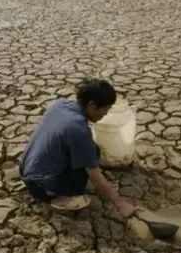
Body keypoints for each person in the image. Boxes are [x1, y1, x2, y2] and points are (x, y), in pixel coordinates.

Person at [19, 78, 136, 218]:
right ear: (92, 105)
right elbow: (95, 176)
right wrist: (120, 204)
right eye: (106, 108)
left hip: (27, 170)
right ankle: (60, 198)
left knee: (93, 150)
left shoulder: (60, 104)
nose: (106, 113)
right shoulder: (78, 129)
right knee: (81, 176)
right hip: (40, 186)